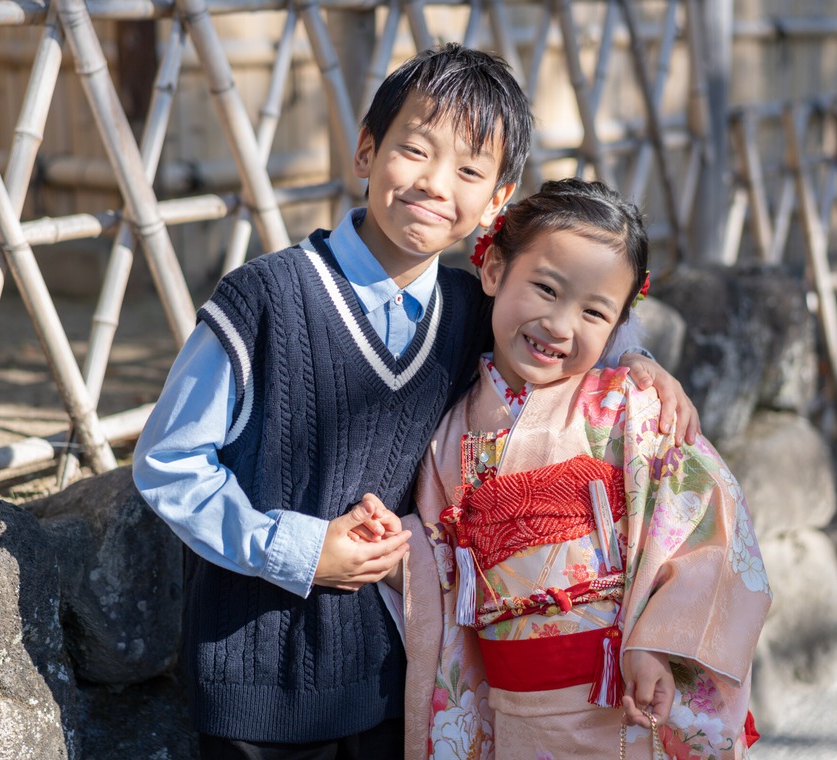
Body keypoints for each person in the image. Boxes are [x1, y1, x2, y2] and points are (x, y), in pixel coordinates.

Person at [133, 45, 697, 759]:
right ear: (367, 152)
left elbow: (561, 329)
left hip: (397, 681)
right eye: (415, 151)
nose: (435, 184)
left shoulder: (468, 311)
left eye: (468, 170)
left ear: (496, 202)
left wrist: (639, 360)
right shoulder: (265, 298)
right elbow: (166, 461)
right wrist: (304, 550)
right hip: (257, 683)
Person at [394, 178, 772, 760]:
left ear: (619, 322)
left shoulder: (632, 408)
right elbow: (445, 565)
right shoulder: (451, 431)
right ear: (493, 271)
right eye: (545, 288)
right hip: (514, 706)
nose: (560, 325)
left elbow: (708, 530)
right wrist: (397, 545)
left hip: (624, 691)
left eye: (594, 311)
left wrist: (655, 642)